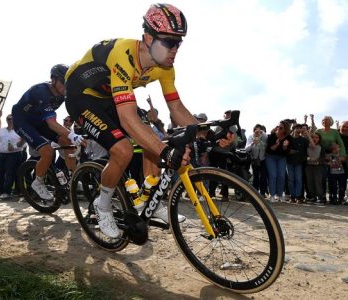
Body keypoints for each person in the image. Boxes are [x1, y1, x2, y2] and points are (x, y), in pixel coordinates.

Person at [64, 3, 234, 238]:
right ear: (147, 38)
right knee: (123, 150)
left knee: (153, 140)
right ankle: (101, 207)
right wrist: (165, 152)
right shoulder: (123, 53)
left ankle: (147, 202)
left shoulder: (165, 68)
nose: (175, 49)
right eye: (168, 42)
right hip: (81, 96)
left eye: (179, 42)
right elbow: (127, 117)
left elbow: (176, 108)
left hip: (108, 97)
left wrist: (209, 132)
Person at [12, 64, 83, 201]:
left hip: (39, 121)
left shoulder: (63, 94)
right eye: (64, 83)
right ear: (54, 80)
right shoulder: (41, 91)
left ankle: (73, 177)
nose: (66, 87)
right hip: (23, 121)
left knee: (67, 142)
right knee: (48, 151)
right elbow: (51, 123)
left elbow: (76, 110)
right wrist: (73, 134)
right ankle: (38, 182)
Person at [0, 114, 26, 199]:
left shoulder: (20, 130)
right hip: (2, 153)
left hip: (15, 154)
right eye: (8, 119)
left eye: (11, 119)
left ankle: (7, 192)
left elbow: (24, 143)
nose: (10, 120)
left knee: (10, 173)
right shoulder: (2, 130)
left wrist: (14, 147)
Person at [265, 121, 292, 202]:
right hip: (270, 157)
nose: (278, 129)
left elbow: (287, 152)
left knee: (281, 176)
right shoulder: (272, 136)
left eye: (281, 128)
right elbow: (269, 150)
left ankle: (280, 195)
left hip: (282, 158)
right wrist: (277, 144)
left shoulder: (289, 138)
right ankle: (272, 195)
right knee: (273, 175)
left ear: (285, 129)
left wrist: (284, 147)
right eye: (278, 126)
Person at [245, 124, 268, 197]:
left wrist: (261, 133)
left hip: (263, 159)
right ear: (253, 130)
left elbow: (265, 142)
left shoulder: (264, 137)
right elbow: (246, 149)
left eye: (259, 130)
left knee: (263, 176)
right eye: (256, 130)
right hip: (254, 159)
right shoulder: (250, 137)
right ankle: (255, 193)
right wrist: (252, 143)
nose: (257, 132)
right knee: (256, 176)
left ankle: (263, 193)